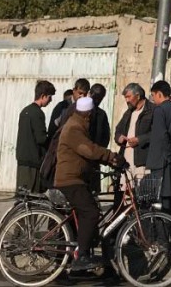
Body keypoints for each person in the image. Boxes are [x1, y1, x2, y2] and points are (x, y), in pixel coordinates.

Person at [55, 95, 121, 272]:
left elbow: (87, 151)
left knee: (90, 210)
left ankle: (85, 249)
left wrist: (110, 162)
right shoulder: (75, 128)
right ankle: (81, 256)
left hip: (76, 177)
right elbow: (88, 149)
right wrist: (111, 156)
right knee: (91, 213)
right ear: (89, 114)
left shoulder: (77, 124)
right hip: (70, 179)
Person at [145, 80, 171, 223]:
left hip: (162, 164)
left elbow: (162, 136)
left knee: (162, 204)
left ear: (159, 94)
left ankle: (164, 240)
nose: (153, 99)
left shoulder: (160, 111)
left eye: (153, 96)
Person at [114, 82, 153, 205]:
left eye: (128, 97)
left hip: (142, 160)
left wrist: (139, 140)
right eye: (125, 97)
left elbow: (157, 134)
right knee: (126, 194)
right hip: (127, 159)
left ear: (138, 95)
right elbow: (118, 130)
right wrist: (119, 138)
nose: (127, 100)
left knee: (142, 195)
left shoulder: (152, 111)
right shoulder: (128, 112)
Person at [15, 80, 55, 193]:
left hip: (23, 159)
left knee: (23, 195)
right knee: (32, 196)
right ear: (43, 96)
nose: (50, 101)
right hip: (33, 161)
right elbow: (41, 138)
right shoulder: (37, 113)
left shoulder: (25, 111)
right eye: (50, 97)